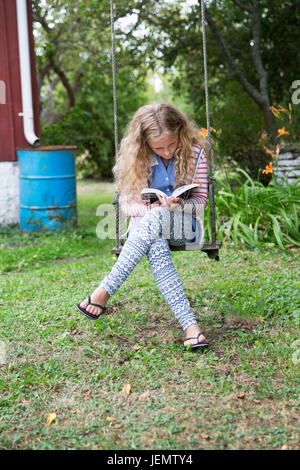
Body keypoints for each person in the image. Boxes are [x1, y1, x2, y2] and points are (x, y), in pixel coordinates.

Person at [76, 102, 209, 350]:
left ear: (180, 132)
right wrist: (152, 209)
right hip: (148, 229)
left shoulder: (196, 153)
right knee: (155, 241)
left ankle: (104, 291)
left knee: (156, 221)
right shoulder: (137, 157)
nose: (167, 151)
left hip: (184, 227)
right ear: (146, 142)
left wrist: (178, 204)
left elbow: (201, 202)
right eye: (159, 147)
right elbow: (126, 204)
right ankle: (191, 328)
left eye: (172, 144)